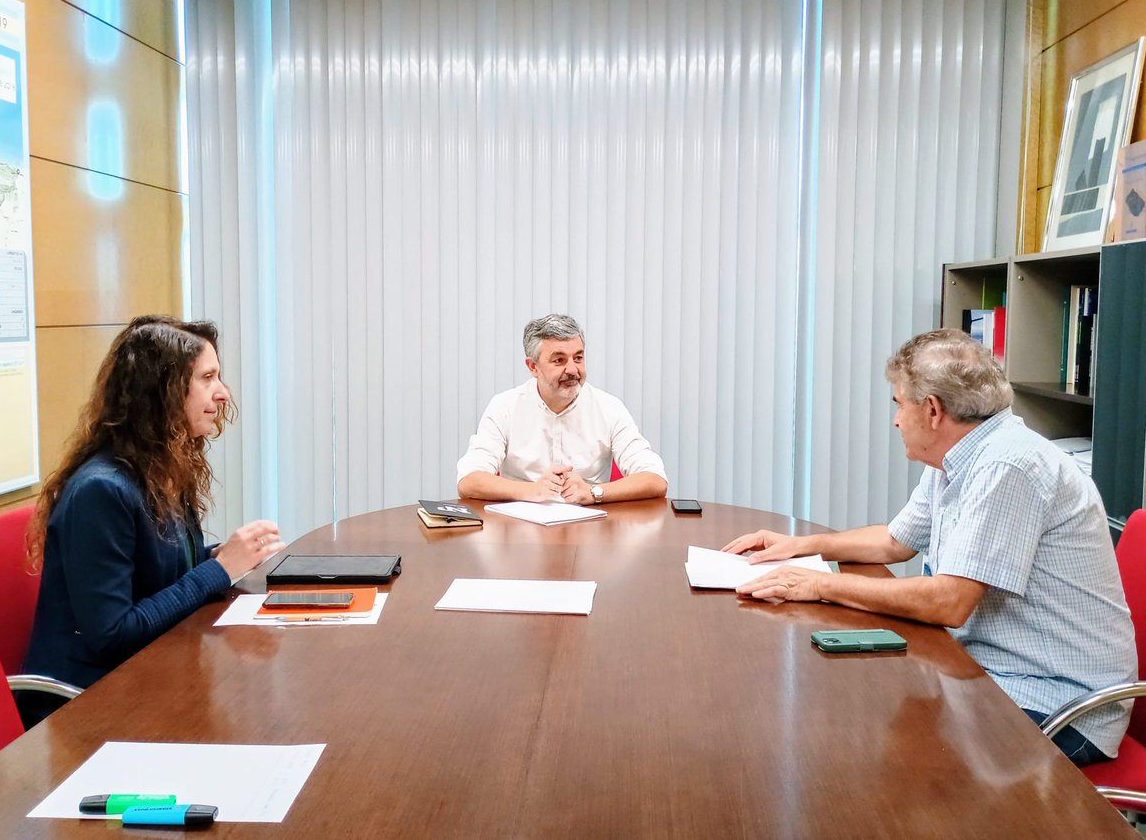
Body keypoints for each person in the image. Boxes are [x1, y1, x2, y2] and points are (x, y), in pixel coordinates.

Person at [722, 328, 1135, 766]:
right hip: (988, 669)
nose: (897, 419)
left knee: (883, 758)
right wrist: (802, 546)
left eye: (899, 404)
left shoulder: (1007, 465)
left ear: (933, 410)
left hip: (1057, 700)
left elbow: (948, 602)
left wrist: (819, 586)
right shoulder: (956, 457)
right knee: (860, 717)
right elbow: (895, 541)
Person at [21, 315, 284, 724]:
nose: (223, 393)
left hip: (149, 672)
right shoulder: (101, 491)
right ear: (162, 392)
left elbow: (160, 574)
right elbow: (113, 635)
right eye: (208, 377)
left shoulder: (163, 470)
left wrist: (233, 557)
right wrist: (218, 569)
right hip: (86, 704)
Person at [457, 314, 667, 504]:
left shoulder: (608, 407)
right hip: (521, 531)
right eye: (559, 360)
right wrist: (531, 491)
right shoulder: (505, 406)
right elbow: (469, 481)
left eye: (578, 358)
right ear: (533, 367)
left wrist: (594, 492)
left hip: (590, 531)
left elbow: (655, 480)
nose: (573, 370)